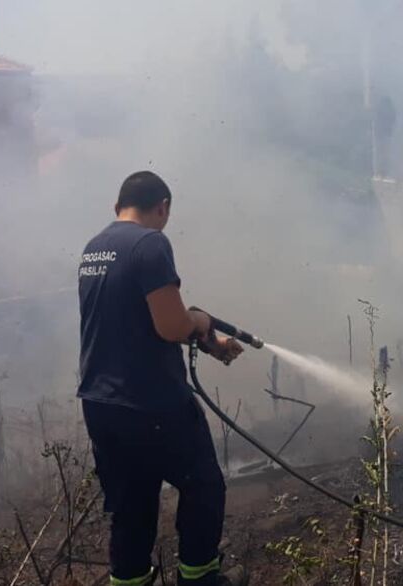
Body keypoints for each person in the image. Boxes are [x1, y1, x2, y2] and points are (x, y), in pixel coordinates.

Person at [78, 171, 248, 586]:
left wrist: (207, 341)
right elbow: (171, 326)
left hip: (101, 403)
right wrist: (201, 320)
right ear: (163, 206)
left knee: (132, 501)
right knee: (204, 486)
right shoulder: (150, 243)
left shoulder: (94, 249)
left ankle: (130, 581)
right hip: (151, 402)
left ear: (118, 205)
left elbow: (133, 321)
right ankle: (198, 576)